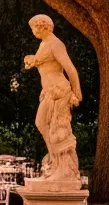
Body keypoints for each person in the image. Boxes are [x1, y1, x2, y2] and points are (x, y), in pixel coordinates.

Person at [23, 16, 83, 181]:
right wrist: (32, 61)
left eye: (34, 28)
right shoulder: (44, 44)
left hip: (59, 91)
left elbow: (70, 69)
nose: (33, 31)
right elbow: (44, 63)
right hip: (49, 91)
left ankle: (64, 170)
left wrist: (76, 93)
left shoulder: (56, 44)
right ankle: (55, 162)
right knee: (42, 123)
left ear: (42, 27)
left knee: (57, 128)